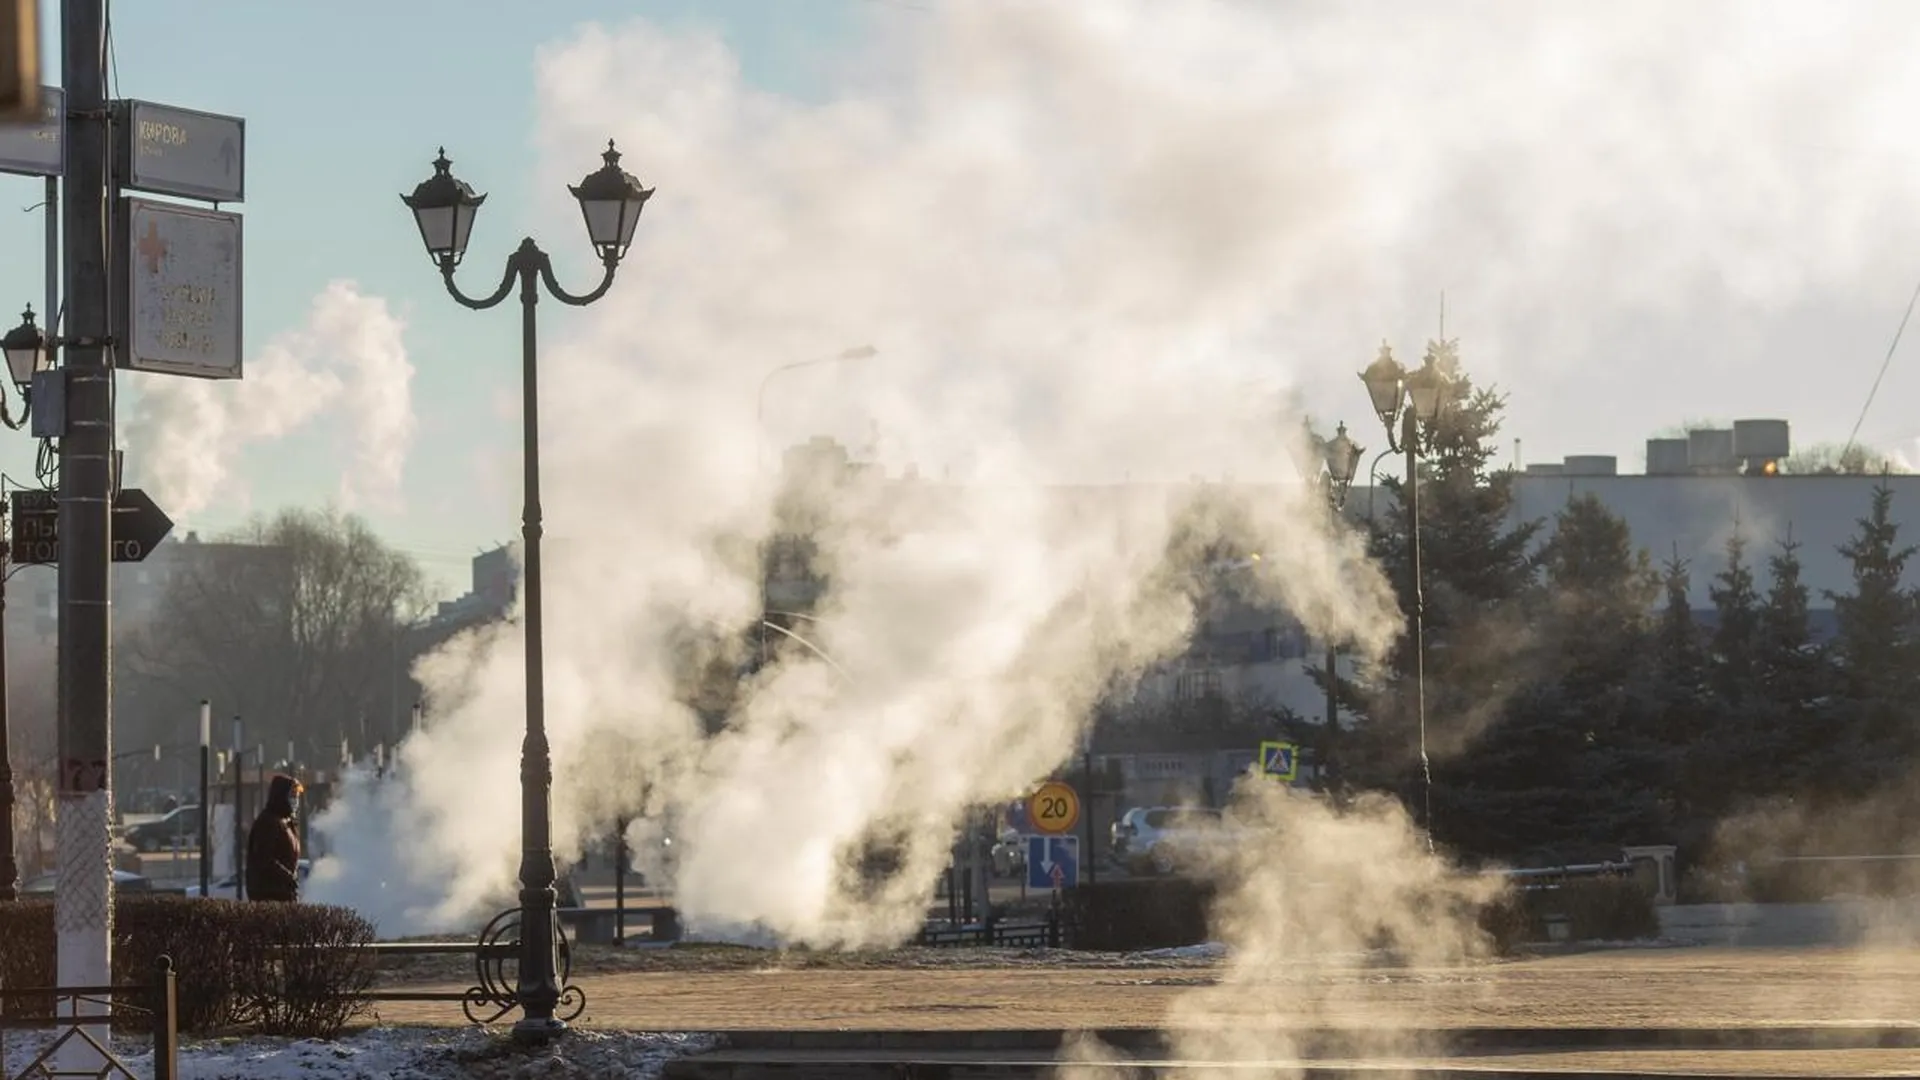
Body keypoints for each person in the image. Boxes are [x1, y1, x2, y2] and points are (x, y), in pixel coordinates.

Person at [246, 773, 303, 902]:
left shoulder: (287, 823)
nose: (295, 801)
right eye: (292, 796)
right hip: (270, 896)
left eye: (297, 797)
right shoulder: (268, 822)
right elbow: (264, 859)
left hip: (285, 894)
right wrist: (288, 878)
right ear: (281, 796)